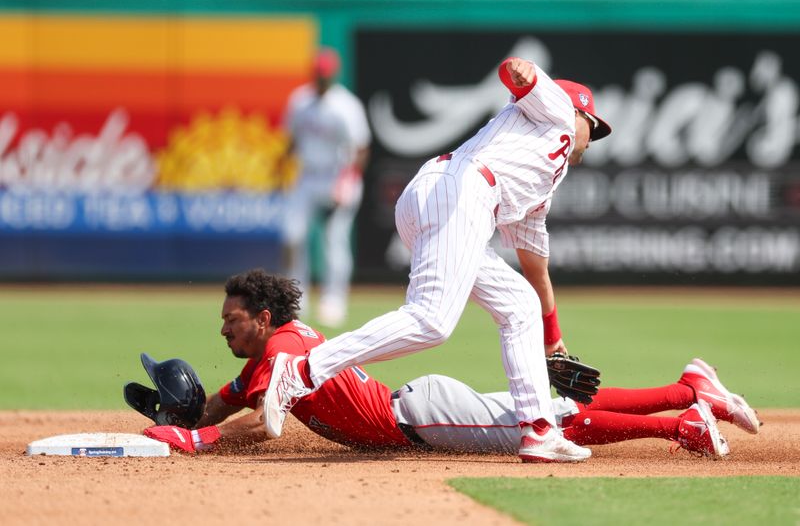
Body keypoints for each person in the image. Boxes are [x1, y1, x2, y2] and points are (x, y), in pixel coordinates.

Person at [263, 56, 613, 463]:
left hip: (443, 196)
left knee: (520, 306)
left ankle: (538, 431)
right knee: (431, 320)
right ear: (576, 113)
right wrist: (522, 72)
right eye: (594, 124)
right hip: (462, 191)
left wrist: (552, 339)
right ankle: (302, 371)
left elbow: (535, 267)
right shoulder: (557, 114)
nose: (595, 135)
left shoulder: (541, 181)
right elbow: (522, 77)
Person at [142, 269, 760, 460]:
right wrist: (193, 410)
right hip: (417, 407)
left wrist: (195, 438)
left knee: (545, 425)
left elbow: (255, 421)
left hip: (420, 419)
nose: (223, 328)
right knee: (552, 410)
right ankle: (687, 389)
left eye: (232, 320)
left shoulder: (280, 354)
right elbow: (234, 399)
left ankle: (681, 419)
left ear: (264, 319)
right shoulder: (277, 352)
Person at [280, 47, 371, 328]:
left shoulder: (346, 106)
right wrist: (280, 165)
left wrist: (349, 180)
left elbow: (361, 148)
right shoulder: (300, 101)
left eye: (325, 75)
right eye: (318, 74)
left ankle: (334, 299)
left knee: (334, 241)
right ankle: (297, 296)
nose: (321, 79)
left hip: (337, 178)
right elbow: (292, 139)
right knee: (291, 235)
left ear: (333, 76)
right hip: (308, 178)